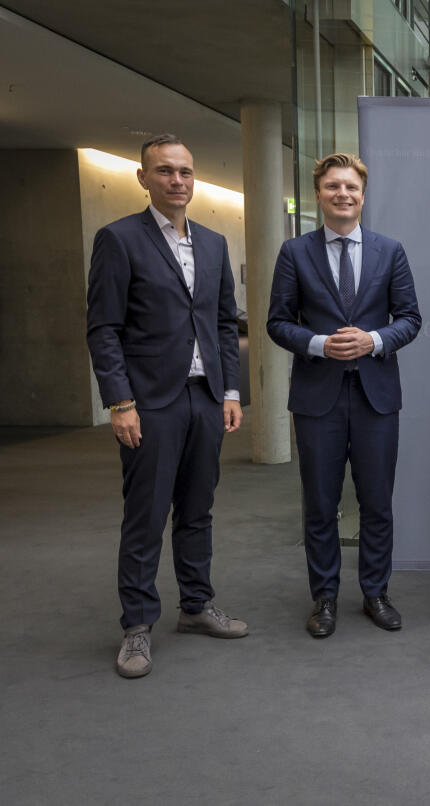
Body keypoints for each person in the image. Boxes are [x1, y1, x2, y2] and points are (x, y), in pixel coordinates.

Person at [86, 133, 248, 679]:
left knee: (197, 510)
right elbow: (104, 329)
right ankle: (137, 626)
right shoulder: (119, 239)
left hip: (204, 399)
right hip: (149, 403)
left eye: (184, 171)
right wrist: (119, 401)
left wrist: (229, 391)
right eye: (164, 171)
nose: (177, 181)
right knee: (147, 515)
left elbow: (225, 323)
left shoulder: (214, 242)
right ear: (143, 178)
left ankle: (197, 607)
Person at [267, 153, 421, 638]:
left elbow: (410, 319)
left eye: (351, 187)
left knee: (377, 503)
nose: (343, 194)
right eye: (333, 186)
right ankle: (325, 598)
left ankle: (375, 592)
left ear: (362, 194)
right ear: (318, 194)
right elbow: (277, 322)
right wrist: (318, 344)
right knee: (320, 504)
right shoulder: (295, 252)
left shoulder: (389, 251)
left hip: (376, 397)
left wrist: (374, 340)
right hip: (318, 399)